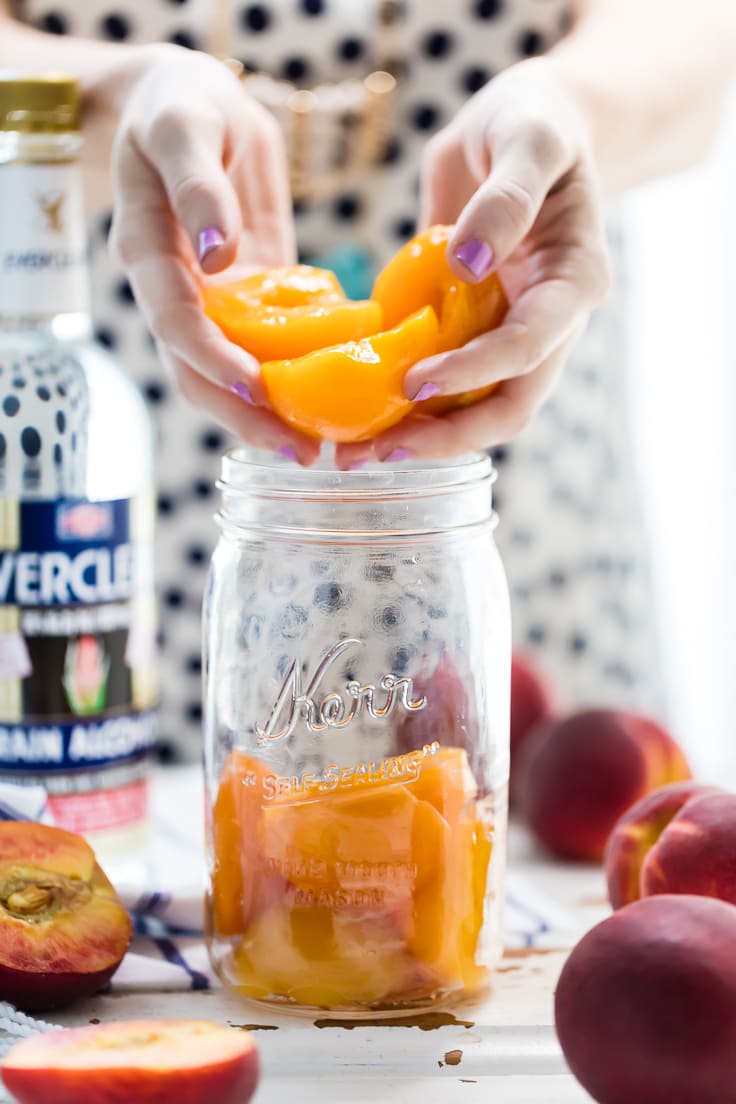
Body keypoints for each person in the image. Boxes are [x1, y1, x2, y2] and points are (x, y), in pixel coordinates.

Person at [2, 0, 734, 761]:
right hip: (139, 529)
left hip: (517, 524)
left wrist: (576, 104)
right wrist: (114, 95)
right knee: (174, 834)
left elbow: (694, 37)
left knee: (511, 835)